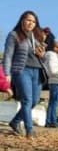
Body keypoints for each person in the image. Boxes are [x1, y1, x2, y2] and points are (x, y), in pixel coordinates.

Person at [2, 10, 46, 138]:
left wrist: (42, 55)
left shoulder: (36, 37)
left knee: (34, 101)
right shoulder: (14, 35)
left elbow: (42, 58)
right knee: (27, 100)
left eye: (33, 21)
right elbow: (8, 55)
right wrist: (6, 73)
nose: (31, 23)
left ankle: (15, 121)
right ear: (22, 20)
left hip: (37, 70)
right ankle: (30, 129)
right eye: (28, 20)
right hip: (21, 70)